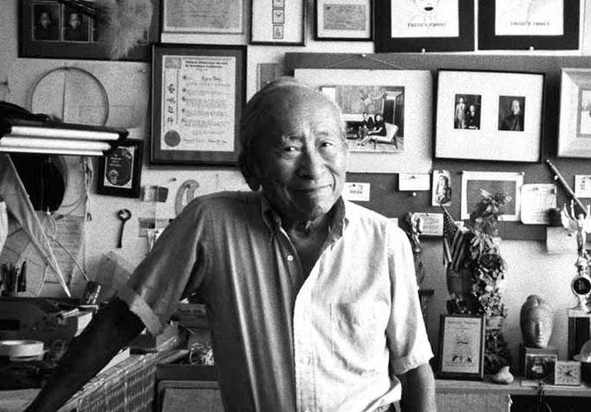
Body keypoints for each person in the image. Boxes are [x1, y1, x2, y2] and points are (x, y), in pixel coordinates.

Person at [24, 79, 436, 412]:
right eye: (289, 149)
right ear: (251, 171)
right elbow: (122, 320)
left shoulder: (385, 241)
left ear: (346, 153)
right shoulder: (211, 224)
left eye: (326, 144)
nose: (313, 168)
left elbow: (414, 368)